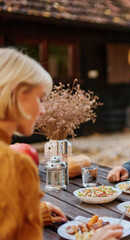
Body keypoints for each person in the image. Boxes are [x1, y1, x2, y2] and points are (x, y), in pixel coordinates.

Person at [0, 48, 123, 240]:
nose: (42, 111)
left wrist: (32, 212)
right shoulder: (15, 165)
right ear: (17, 94)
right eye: (40, 99)